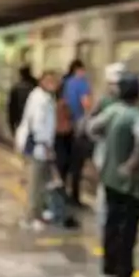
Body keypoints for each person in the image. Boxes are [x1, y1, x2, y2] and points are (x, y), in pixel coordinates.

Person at [89, 74, 139, 277]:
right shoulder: (137, 117)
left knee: (111, 226)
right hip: (132, 185)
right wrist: (131, 165)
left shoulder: (112, 112)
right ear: (138, 93)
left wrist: (105, 144)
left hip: (110, 179)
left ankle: (107, 272)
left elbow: (91, 128)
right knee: (128, 230)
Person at [17, 71, 60, 230]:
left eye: (54, 81)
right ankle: (31, 217)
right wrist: (46, 146)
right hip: (38, 147)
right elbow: (38, 124)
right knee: (35, 184)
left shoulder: (40, 96)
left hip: (38, 146)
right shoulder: (41, 99)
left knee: (40, 183)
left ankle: (39, 213)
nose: (53, 85)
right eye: (49, 81)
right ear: (42, 81)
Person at [88, 62, 126, 238]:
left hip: (120, 151)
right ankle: (105, 221)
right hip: (105, 149)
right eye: (113, 84)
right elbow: (90, 123)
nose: (115, 87)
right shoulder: (103, 101)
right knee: (105, 188)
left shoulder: (127, 102)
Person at [58, 59, 92, 205]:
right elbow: (86, 104)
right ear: (79, 70)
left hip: (64, 128)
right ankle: (75, 196)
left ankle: (61, 193)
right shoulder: (82, 83)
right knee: (77, 164)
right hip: (78, 128)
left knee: (64, 163)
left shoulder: (65, 82)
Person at [8, 65, 38, 136]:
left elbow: (12, 108)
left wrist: (11, 124)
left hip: (20, 120)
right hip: (34, 119)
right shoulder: (35, 86)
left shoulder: (16, 88)